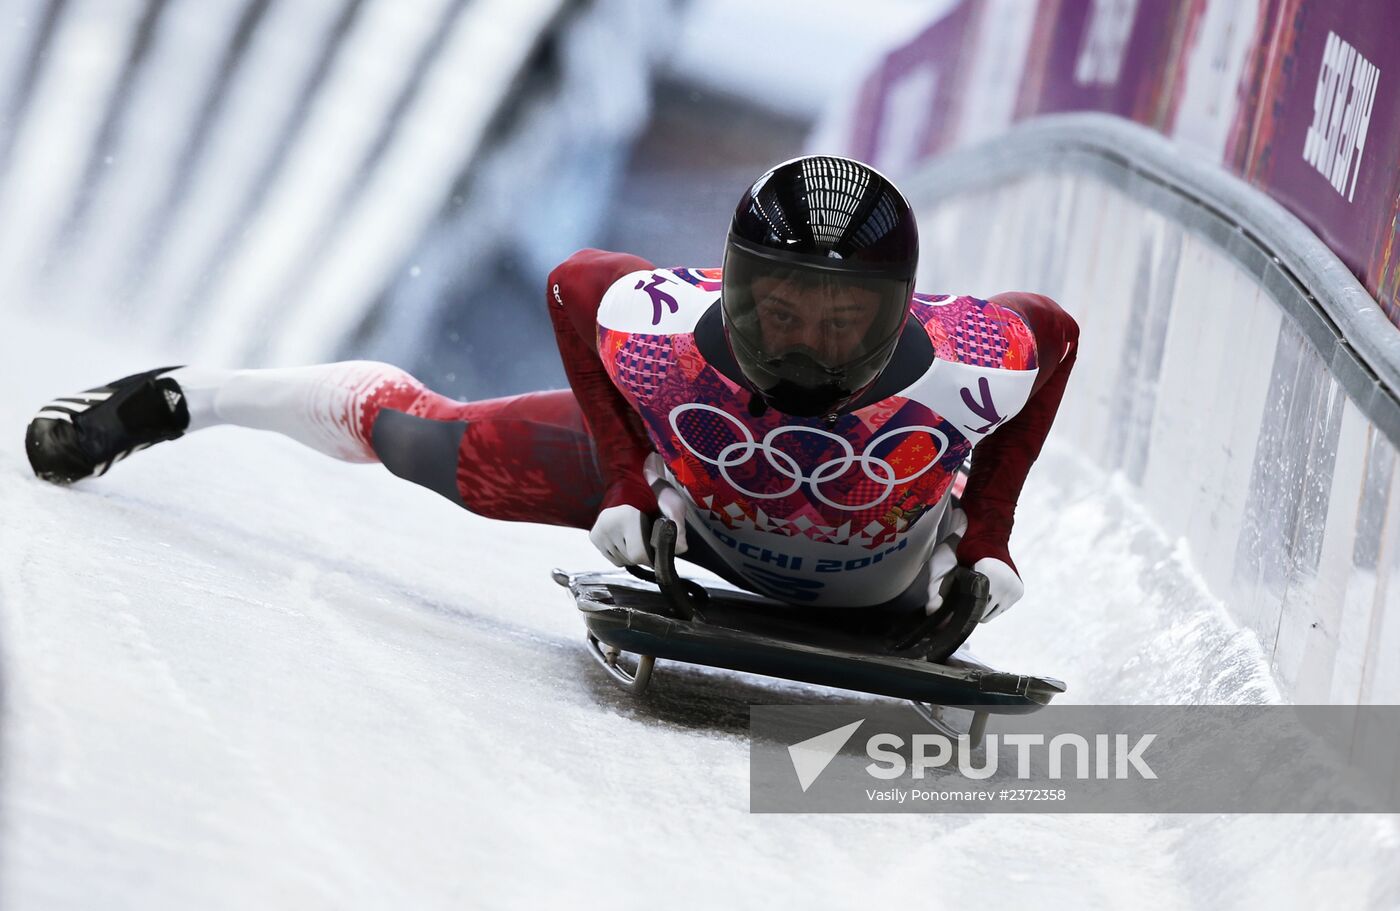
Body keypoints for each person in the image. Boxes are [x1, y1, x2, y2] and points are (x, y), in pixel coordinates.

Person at [25, 155, 1077, 624]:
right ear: (737, 286)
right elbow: (575, 283)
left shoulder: (972, 355)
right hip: (685, 488)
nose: (804, 342)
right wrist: (626, 480)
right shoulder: (666, 329)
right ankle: (186, 396)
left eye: (839, 318)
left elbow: (1055, 333)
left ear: (895, 313)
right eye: (782, 308)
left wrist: (984, 535)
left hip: (882, 533)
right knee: (430, 446)